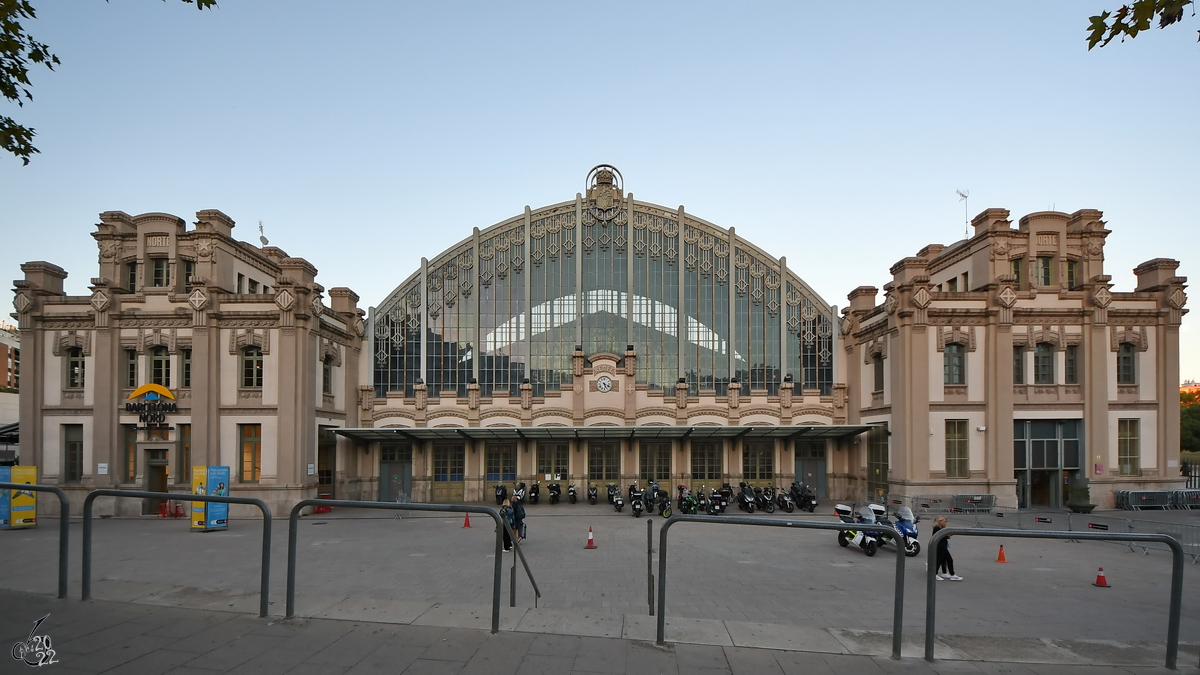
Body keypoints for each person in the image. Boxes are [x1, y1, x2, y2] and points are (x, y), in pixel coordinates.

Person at [932, 516, 962, 580]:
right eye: (944, 522)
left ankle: (946, 573)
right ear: (939, 521)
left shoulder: (940, 528)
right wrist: (948, 535)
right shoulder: (937, 528)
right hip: (940, 547)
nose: (945, 523)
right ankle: (935, 574)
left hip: (942, 546)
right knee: (942, 560)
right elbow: (941, 536)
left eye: (945, 522)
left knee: (945, 560)